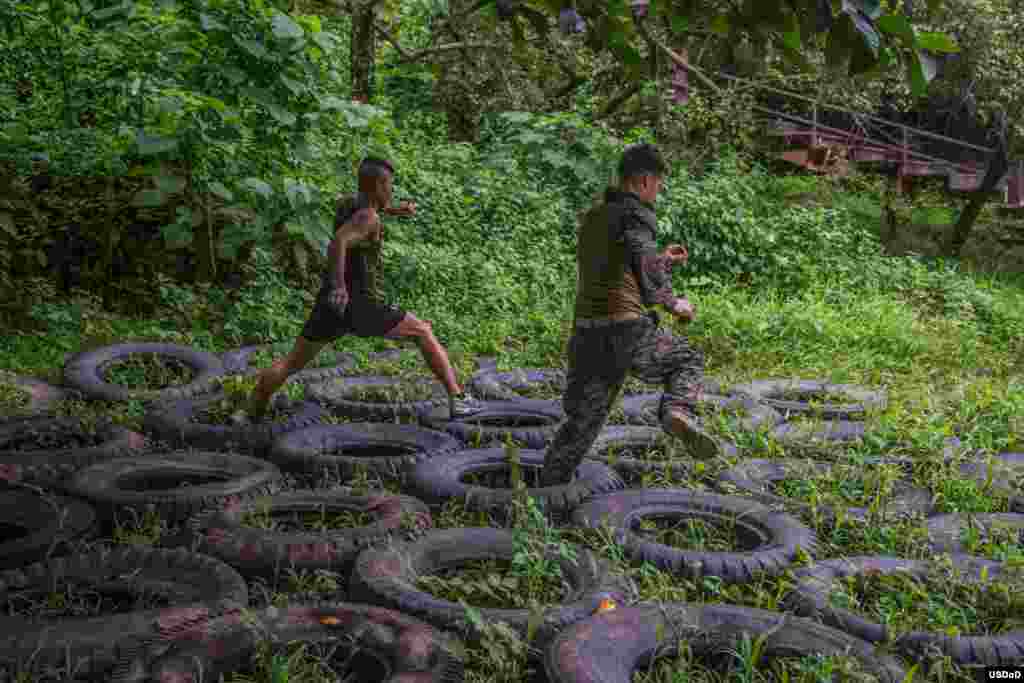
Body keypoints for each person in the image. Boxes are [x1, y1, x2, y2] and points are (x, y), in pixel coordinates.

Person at [232, 156, 483, 424]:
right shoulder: (368, 218)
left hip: (329, 304)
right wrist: (341, 285)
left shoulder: (349, 204)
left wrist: (396, 210)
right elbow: (339, 241)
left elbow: (364, 214)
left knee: (292, 363)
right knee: (423, 331)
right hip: (360, 303)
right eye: (389, 185)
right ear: (377, 185)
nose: (391, 190)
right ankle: (458, 399)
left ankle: (249, 410)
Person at [539, 143, 723, 487]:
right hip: (624, 330)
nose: (659, 191)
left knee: (582, 424)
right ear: (642, 181)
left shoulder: (594, 216)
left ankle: (546, 495)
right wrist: (673, 303)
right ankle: (677, 412)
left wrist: (663, 259)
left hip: (585, 333)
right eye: (658, 184)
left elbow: (621, 264)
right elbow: (644, 268)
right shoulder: (636, 213)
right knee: (687, 360)